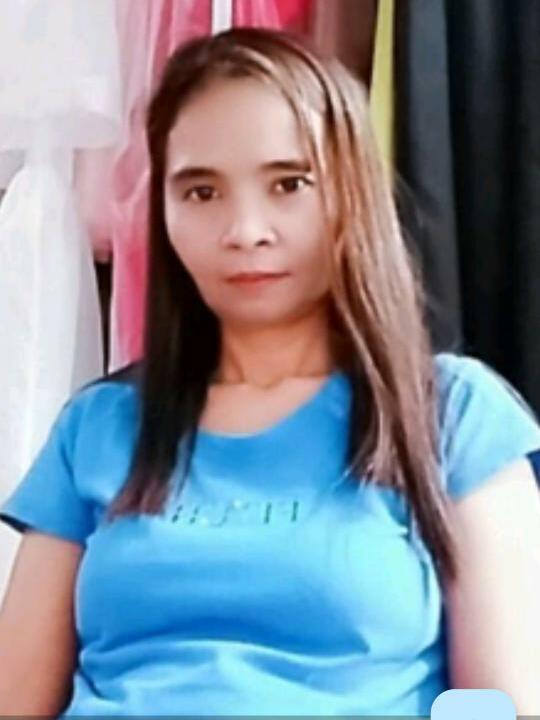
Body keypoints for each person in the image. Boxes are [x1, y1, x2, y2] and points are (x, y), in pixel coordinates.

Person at [1, 27, 540, 718]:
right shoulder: (97, 427)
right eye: (201, 192)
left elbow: (501, 704)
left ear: (351, 191)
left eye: (290, 184)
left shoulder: (453, 415)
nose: (245, 230)